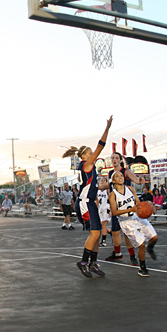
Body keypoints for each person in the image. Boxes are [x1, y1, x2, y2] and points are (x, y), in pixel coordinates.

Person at [62, 116, 112, 278]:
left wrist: (112, 183)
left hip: (90, 202)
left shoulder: (90, 168)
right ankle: (83, 262)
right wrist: (107, 128)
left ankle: (93, 263)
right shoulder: (87, 163)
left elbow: (95, 187)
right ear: (84, 156)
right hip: (84, 203)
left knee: (97, 234)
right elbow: (100, 146)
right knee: (95, 233)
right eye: (89, 152)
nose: (92, 153)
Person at [109, 171, 158, 277]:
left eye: (121, 175)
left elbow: (137, 202)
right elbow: (114, 212)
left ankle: (150, 248)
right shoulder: (113, 195)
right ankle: (142, 268)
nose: (120, 177)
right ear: (113, 180)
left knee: (154, 238)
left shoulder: (130, 189)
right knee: (141, 244)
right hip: (126, 222)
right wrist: (132, 209)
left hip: (136, 217)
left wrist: (146, 206)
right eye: (117, 176)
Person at [105, 151, 145, 265]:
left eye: (116, 158)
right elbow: (109, 187)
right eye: (112, 158)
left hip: (126, 205)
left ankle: (132, 256)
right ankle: (117, 253)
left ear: (120, 160)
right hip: (116, 205)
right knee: (115, 231)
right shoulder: (110, 173)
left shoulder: (125, 171)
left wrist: (139, 180)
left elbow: (136, 179)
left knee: (126, 233)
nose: (114, 160)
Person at [97, 177, 111, 247]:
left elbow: (111, 199)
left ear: (106, 182)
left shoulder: (107, 190)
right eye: (101, 181)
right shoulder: (98, 190)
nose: (102, 182)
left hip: (106, 208)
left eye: (103, 181)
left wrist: (111, 210)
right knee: (100, 225)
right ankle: (110, 232)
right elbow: (97, 200)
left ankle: (103, 241)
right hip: (100, 209)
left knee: (103, 224)